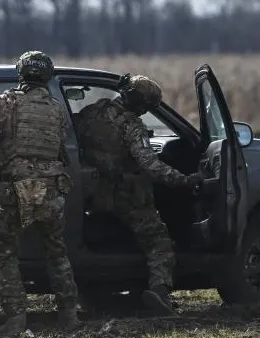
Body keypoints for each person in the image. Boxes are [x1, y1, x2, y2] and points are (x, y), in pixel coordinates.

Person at [0, 50, 81, 336]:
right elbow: (62, 147)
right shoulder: (56, 108)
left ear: (21, 73)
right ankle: (69, 316)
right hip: (52, 190)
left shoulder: (5, 102)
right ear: (47, 76)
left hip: (14, 189)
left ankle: (16, 319)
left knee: (6, 255)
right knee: (57, 254)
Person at [74, 73, 204, 316]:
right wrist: (184, 180)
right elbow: (151, 166)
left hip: (92, 191)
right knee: (159, 240)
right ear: (142, 106)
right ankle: (160, 292)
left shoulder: (93, 112)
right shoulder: (132, 127)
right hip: (124, 195)